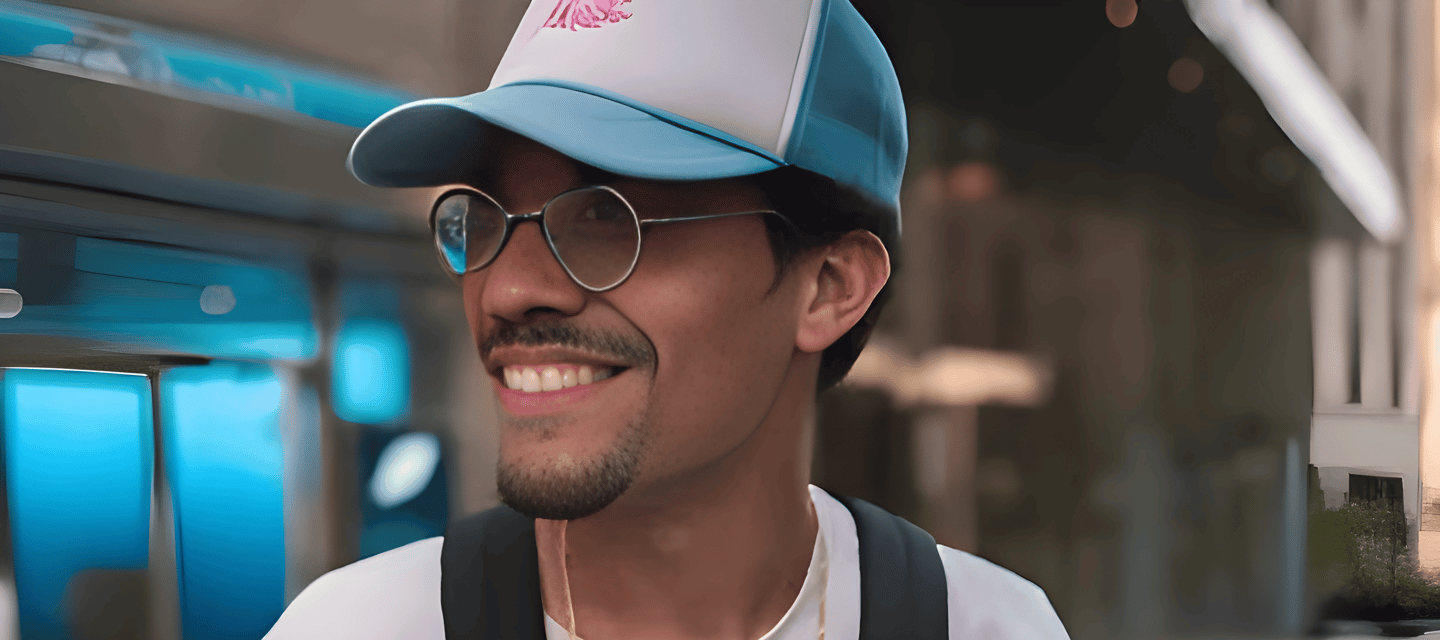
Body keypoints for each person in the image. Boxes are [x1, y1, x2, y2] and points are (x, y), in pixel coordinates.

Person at [262, 0, 1137, 638]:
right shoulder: (364, 627)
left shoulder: (983, 628)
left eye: (608, 215)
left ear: (830, 284)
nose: (506, 290)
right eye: (487, 217)